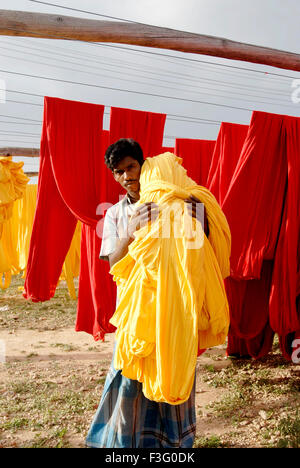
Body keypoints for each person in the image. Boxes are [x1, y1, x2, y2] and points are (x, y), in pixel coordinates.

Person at [86, 138, 208, 449]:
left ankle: (176, 446)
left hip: (173, 311)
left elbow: (202, 244)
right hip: (134, 316)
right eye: (118, 171)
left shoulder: (177, 202)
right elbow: (112, 261)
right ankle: (127, 445)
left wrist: (198, 214)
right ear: (113, 176)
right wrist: (131, 232)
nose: (127, 176)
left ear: (144, 165)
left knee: (173, 377)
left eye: (131, 167)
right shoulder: (115, 214)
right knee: (131, 384)